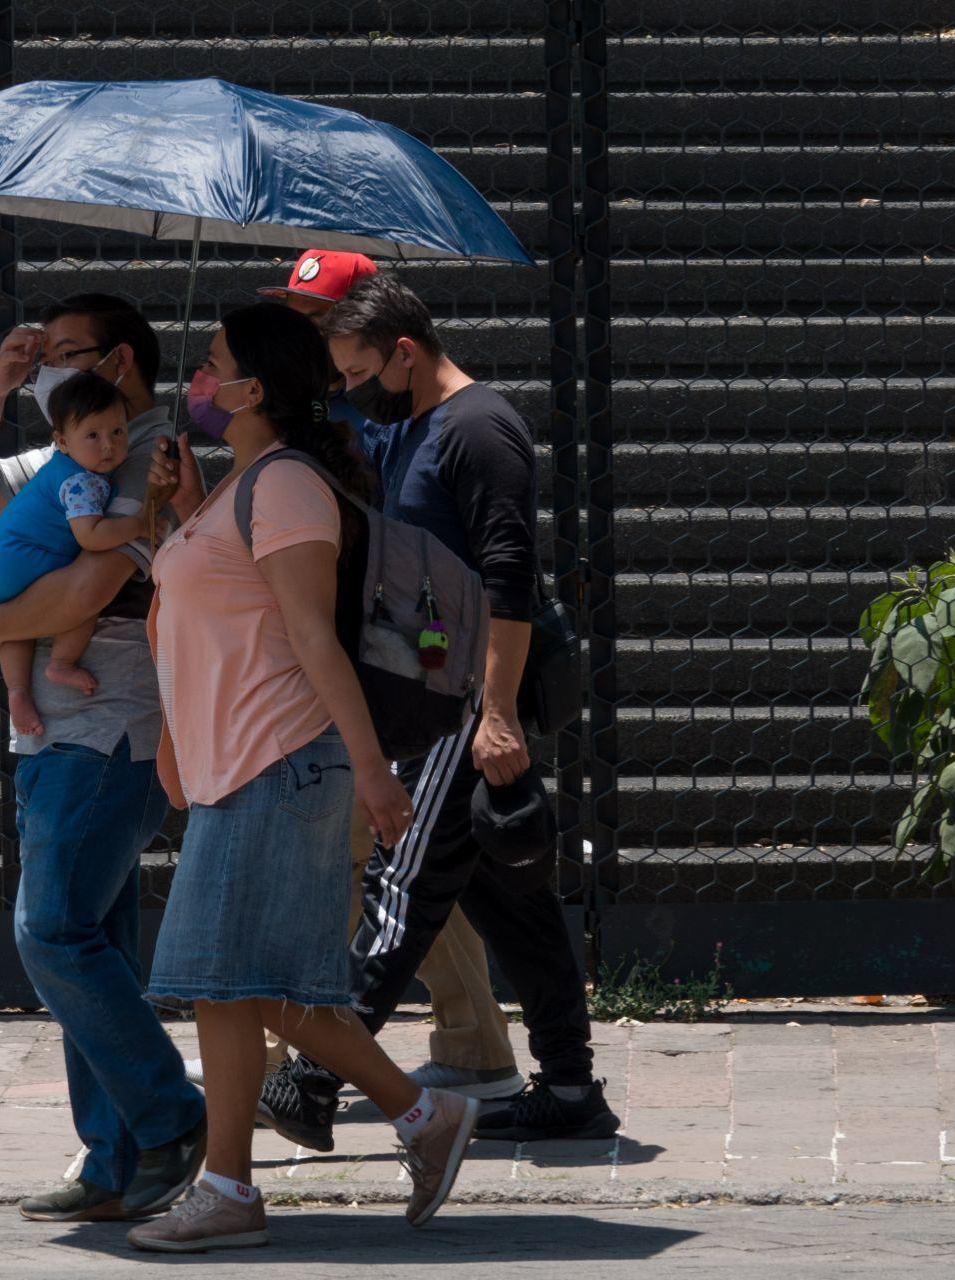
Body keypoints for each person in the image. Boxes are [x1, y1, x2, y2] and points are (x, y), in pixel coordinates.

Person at [125, 303, 479, 1253]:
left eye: (212, 368)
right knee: (255, 986)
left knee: (223, 981)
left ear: (257, 388)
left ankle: (233, 1187)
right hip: (237, 767)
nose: (198, 384)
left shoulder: (285, 489)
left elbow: (315, 641)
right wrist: (180, 506)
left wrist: (374, 772)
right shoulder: (242, 486)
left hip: (280, 764)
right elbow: (210, 626)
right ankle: (420, 1118)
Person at [273, 272, 620, 1144]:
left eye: (358, 372)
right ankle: (573, 1093)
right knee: (513, 901)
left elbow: (509, 579)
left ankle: (314, 1078)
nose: (352, 390)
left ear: (404, 351)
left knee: (400, 891)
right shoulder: (410, 426)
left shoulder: (478, 428)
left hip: (464, 705)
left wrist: (495, 712)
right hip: (435, 696)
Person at [185, 253, 525, 1139]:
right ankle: (468, 1054)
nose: (304, 329)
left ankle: (340, 1092)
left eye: (312, 314)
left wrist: (493, 709)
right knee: (405, 881)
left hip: (333, 714)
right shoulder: (325, 437)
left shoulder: (329, 453)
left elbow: (497, 582)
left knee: (294, 935)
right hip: (322, 714)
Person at [0, 294, 207, 1223]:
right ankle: (116, 1158)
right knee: (99, 943)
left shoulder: (146, 453)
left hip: (106, 731)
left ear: (121, 360)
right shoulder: (72, 443)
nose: (48, 366)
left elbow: (92, 582)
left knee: (51, 933)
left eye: (65, 354)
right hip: (59, 732)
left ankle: (170, 1121)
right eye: (40, 357)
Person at [0, 373, 153, 738]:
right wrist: (137, 525)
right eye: (93, 435)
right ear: (62, 442)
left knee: (19, 627)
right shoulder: (82, 481)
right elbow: (91, 536)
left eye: (117, 432)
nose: (108, 446)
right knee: (79, 603)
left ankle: (17, 691)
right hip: (25, 560)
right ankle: (62, 662)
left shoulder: (59, 469)